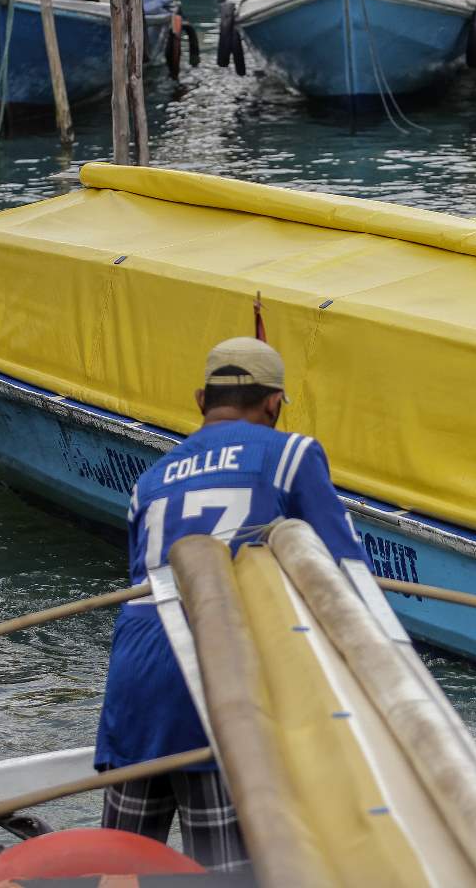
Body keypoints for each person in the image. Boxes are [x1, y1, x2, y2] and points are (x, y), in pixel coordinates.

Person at [93, 336, 363, 870]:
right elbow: (346, 576)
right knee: (226, 872)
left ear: (201, 400)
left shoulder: (149, 481)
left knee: (120, 868)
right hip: (220, 680)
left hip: (134, 683)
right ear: (274, 403)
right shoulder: (291, 455)